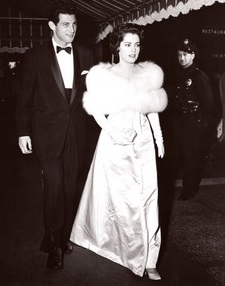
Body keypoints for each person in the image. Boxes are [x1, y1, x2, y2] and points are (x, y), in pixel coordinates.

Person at [70, 23, 168, 280]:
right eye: (127, 44)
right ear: (117, 46)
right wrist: (114, 133)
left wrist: (158, 138)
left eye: (136, 44)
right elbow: (96, 110)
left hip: (143, 139)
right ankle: (124, 249)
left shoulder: (149, 73)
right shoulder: (103, 74)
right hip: (115, 139)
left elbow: (152, 107)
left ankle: (150, 259)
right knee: (119, 199)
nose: (133, 50)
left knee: (148, 196)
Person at [16, 2, 94, 270]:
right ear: (52, 25)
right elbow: (24, 97)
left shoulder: (86, 53)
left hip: (77, 134)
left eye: (74, 24)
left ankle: (63, 235)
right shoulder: (35, 56)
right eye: (65, 24)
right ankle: (54, 243)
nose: (71, 29)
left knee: (71, 189)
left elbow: (92, 95)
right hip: (47, 134)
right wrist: (23, 132)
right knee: (53, 188)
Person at [165, 38, 214, 201]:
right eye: (179, 55)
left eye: (185, 54)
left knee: (191, 157)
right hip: (178, 122)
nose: (182, 58)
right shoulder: (177, 74)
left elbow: (208, 103)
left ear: (193, 56)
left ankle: (189, 190)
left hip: (193, 122)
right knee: (176, 155)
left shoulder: (199, 75)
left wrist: (202, 123)